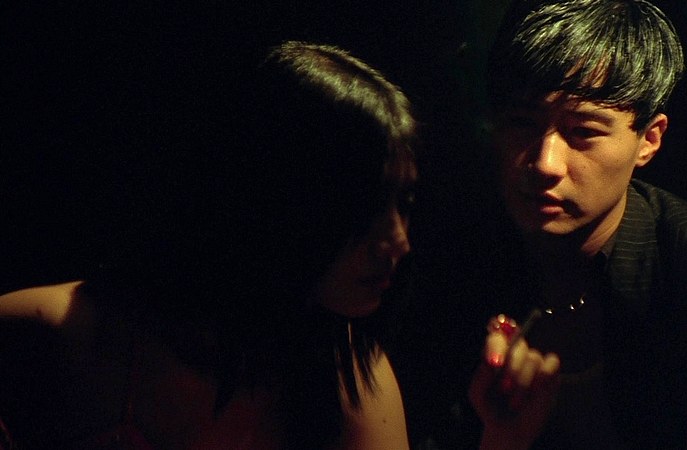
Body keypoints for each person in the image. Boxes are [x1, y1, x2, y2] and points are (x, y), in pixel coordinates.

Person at [0, 41, 560, 449]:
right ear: (275, 194)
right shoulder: (66, 333)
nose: (398, 242)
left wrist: (503, 439)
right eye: (365, 204)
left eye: (404, 203)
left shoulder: (350, 383)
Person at [393, 1, 687, 448]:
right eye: (522, 123)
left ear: (649, 140)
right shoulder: (445, 264)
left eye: (583, 131)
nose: (545, 163)